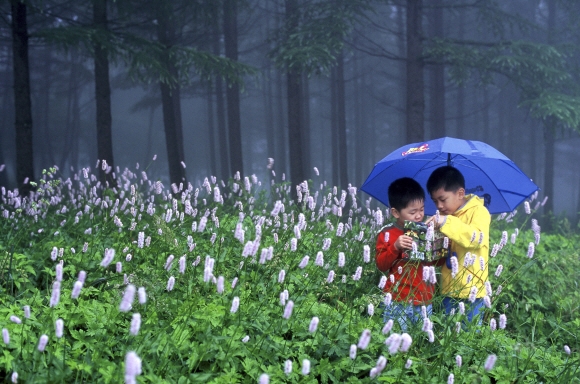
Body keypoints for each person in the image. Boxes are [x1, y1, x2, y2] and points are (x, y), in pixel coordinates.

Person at [426, 166, 491, 324]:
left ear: (460, 193)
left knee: (470, 337)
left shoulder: (479, 212)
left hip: (472, 290)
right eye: (435, 201)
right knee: (449, 333)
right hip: (449, 288)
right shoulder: (443, 216)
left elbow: (476, 238)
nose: (439, 206)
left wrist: (446, 222)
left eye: (443, 199)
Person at [375, 177, 434, 331]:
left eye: (422, 209)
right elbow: (381, 265)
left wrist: (438, 245)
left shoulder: (428, 231)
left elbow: (435, 265)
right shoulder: (387, 233)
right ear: (395, 212)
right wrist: (395, 247)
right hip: (397, 299)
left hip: (424, 299)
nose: (419, 216)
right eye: (413, 212)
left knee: (419, 344)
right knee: (394, 342)